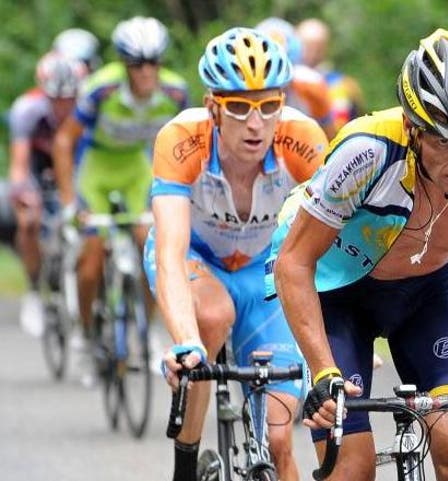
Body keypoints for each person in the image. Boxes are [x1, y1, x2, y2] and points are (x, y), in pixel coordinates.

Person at [267, 28, 448, 481]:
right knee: (352, 468)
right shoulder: (367, 151)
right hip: (338, 293)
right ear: (412, 128)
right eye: (444, 141)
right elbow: (294, 262)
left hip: (426, 292)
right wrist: (323, 370)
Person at [145, 27, 328, 481]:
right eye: (240, 107)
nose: (256, 123)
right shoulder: (181, 139)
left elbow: (333, 245)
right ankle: (185, 465)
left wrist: (342, 326)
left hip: (266, 272)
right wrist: (185, 343)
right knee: (210, 317)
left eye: (269, 106)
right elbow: (170, 252)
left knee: (282, 435)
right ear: (213, 107)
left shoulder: (303, 140)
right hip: (197, 260)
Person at [53, 16, 189, 386]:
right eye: (136, 64)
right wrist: (69, 203)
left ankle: (144, 334)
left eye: (153, 63)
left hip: (136, 171)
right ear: (124, 65)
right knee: (93, 255)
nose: (146, 72)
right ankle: (84, 334)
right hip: (95, 172)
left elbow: (191, 145)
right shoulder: (102, 89)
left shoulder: (176, 93)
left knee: (152, 246)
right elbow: (65, 141)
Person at [8, 51, 88, 337]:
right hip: (38, 173)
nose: (64, 105)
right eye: (57, 99)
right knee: (29, 221)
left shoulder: (88, 108)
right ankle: (33, 290)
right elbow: (19, 164)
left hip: (76, 172)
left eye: (70, 98)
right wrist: (24, 193)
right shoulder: (27, 110)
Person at [256, 17, 336, 140]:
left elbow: (330, 138)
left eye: (280, 69)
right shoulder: (237, 86)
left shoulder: (312, 85)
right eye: (267, 68)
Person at [296, 18, 365, 131]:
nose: (312, 52)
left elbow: (340, 128)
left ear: (325, 48)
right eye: (307, 45)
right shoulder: (286, 81)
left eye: (316, 46)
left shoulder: (340, 85)